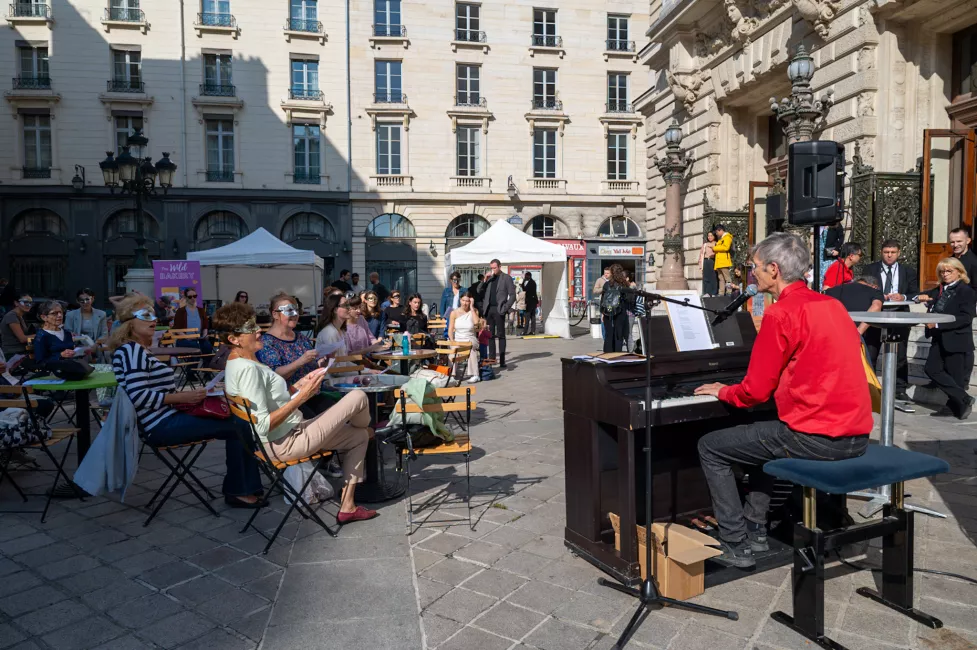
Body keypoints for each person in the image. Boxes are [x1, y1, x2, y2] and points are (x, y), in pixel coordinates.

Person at [693, 233, 871, 568]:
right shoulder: (833, 306)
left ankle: (735, 542)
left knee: (710, 446)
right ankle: (756, 527)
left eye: (755, 268)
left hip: (818, 439)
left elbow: (754, 393)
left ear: (773, 270)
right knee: (763, 433)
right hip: (856, 435)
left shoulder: (780, 314)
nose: (752, 275)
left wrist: (722, 390)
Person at [218, 302, 378, 524]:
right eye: (249, 329)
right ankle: (371, 426)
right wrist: (303, 397)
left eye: (254, 325)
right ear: (234, 340)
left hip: (289, 435)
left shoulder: (239, 362)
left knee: (358, 436)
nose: (257, 331)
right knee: (359, 397)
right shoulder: (247, 370)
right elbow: (263, 425)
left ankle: (348, 506)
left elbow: (271, 400)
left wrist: (297, 387)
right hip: (285, 443)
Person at [109, 294, 264, 508]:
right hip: (160, 426)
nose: (154, 319)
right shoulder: (131, 351)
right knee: (239, 425)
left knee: (239, 421)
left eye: (154, 314)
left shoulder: (138, 350)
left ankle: (243, 488)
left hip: (167, 418)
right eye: (145, 315)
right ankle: (240, 490)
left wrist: (199, 394)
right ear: (129, 322)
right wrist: (184, 396)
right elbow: (139, 397)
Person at [916, 257, 976, 419]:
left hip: (957, 340)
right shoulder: (940, 289)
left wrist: (937, 325)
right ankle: (963, 398)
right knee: (931, 368)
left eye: (949, 271)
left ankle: (954, 407)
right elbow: (926, 295)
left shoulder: (966, 291)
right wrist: (917, 298)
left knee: (955, 376)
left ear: (959, 272)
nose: (945, 274)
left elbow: (966, 318)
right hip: (939, 338)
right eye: (942, 271)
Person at [255, 292, 330, 417]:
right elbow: (275, 375)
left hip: (311, 395)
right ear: (275, 314)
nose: (295, 315)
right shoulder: (267, 343)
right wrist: (301, 361)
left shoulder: (301, 338)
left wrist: (322, 363)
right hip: (287, 400)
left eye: (296, 310)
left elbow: (310, 365)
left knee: (342, 417)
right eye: (289, 310)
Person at [863, 240, 919, 400]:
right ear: (881, 252)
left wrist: (904, 296)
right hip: (876, 316)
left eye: (893, 252)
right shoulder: (871, 269)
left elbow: (915, 293)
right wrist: (879, 296)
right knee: (871, 352)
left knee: (900, 355)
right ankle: (868, 387)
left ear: (898, 253)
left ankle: (900, 389)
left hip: (899, 315)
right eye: (886, 252)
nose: (889, 255)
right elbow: (864, 289)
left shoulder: (908, 271)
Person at [477, 259, 516, 368]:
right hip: (489, 310)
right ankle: (493, 359)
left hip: (500, 310)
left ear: (499, 266)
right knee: (490, 336)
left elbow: (512, 295)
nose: (493, 270)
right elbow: (479, 290)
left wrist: (505, 307)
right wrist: (485, 279)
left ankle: (502, 360)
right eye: (491, 268)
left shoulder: (506, 278)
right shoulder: (489, 279)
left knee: (501, 335)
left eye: (495, 268)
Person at [33, 300, 82, 366]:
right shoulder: (41, 336)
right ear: (44, 317)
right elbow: (40, 362)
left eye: (61, 312)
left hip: (71, 368)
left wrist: (81, 352)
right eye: (54, 313)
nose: (60, 315)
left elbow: (73, 355)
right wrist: (60, 355)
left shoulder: (67, 333)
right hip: (54, 372)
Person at [448, 292, 481, 383]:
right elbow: (450, 329)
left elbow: (476, 324)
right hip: (458, 339)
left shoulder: (474, 311)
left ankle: (475, 374)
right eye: (463, 300)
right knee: (453, 350)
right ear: (460, 300)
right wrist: (452, 340)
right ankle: (452, 374)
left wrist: (472, 308)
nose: (465, 303)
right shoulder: (454, 313)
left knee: (471, 349)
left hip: (470, 338)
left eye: (467, 301)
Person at [599, 264, 630, 353]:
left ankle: (608, 354)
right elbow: (629, 299)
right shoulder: (624, 284)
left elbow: (603, 300)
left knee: (609, 334)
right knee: (619, 335)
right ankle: (617, 354)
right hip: (621, 312)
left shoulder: (607, 284)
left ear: (612, 273)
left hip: (608, 312)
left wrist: (602, 313)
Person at [173, 288, 213, 354]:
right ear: (186, 298)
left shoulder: (201, 310)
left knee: (208, 346)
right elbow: (177, 329)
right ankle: (193, 364)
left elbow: (205, 327)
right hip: (184, 339)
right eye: (190, 297)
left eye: (194, 296)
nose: (193, 298)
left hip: (199, 339)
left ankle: (207, 364)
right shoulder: (180, 311)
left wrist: (204, 335)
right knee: (194, 347)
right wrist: (187, 338)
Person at [1, 292, 32, 358]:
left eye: (30, 303)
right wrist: (41, 334)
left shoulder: (20, 316)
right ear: (16, 303)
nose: (29, 305)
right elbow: (22, 339)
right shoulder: (12, 316)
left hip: (20, 352)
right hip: (12, 353)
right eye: (26, 302)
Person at [817, 220, 845, 290]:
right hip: (820, 253)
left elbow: (841, 238)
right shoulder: (819, 224)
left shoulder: (836, 224)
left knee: (829, 274)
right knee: (820, 274)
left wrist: (837, 249)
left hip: (830, 254)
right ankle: (820, 290)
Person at [713, 224, 734, 295]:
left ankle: (729, 292)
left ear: (720, 230)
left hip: (724, 261)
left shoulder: (727, 237)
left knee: (727, 278)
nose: (716, 234)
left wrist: (714, 248)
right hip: (719, 262)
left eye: (717, 232)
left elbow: (726, 247)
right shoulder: (722, 239)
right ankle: (721, 293)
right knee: (721, 278)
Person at [698, 231, 718, 297]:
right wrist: (700, 263)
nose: (709, 237)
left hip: (712, 261)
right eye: (708, 236)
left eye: (711, 236)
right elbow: (701, 254)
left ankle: (713, 292)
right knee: (706, 277)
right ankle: (706, 292)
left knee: (713, 277)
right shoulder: (705, 244)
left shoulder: (716, 244)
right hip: (705, 261)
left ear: (714, 236)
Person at [522, 271, 539, 336]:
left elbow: (525, 289)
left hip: (530, 303)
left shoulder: (531, 283)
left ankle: (525, 331)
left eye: (526, 276)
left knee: (527, 317)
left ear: (529, 276)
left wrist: (523, 282)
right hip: (533, 302)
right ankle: (533, 331)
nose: (525, 277)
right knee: (533, 317)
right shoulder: (533, 282)